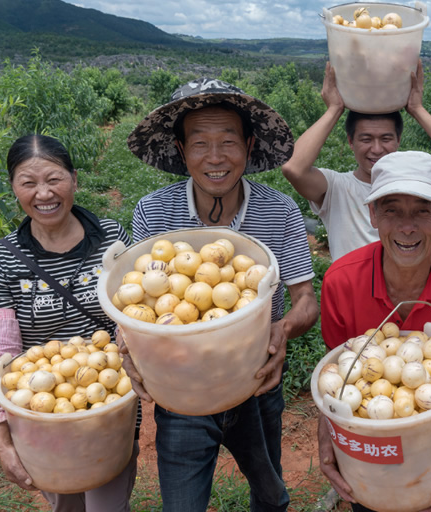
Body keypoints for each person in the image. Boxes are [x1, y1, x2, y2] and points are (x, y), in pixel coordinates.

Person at [124, 77, 319, 511]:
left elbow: (307, 299)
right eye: (200, 144)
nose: (215, 158)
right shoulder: (154, 212)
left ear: (249, 147)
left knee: (272, 498)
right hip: (182, 390)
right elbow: (133, 300)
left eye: (228, 142)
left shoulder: (280, 211)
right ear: (180, 150)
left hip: (256, 382)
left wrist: (282, 330)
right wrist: (127, 343)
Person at [318, 151, 431, 512]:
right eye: (392, 209)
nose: (407, 226)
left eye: (423, 210)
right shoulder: (341, 282)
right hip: (371, 440)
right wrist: (327, 443)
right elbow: (338, 373)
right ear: (372, 215)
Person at [0, 134, 138, 511]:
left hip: (108, 405)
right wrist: (2, 438)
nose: (43, 193)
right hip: (39, 411)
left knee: (108, 505)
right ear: (13, 187)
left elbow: (129, 320)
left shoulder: (112, 240)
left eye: (54, 179)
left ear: (74, 179)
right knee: (64, 503)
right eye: (28, 182)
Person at [281, 60, 431, 260]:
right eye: (366, 139)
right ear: (351, 141)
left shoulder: (415, 183)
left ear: (398, 140)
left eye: (386, 139)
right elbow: (294, 169)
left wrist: (417, 109)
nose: (376, 149)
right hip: (351, 289)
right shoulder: (335, 187)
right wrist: (334, 109)